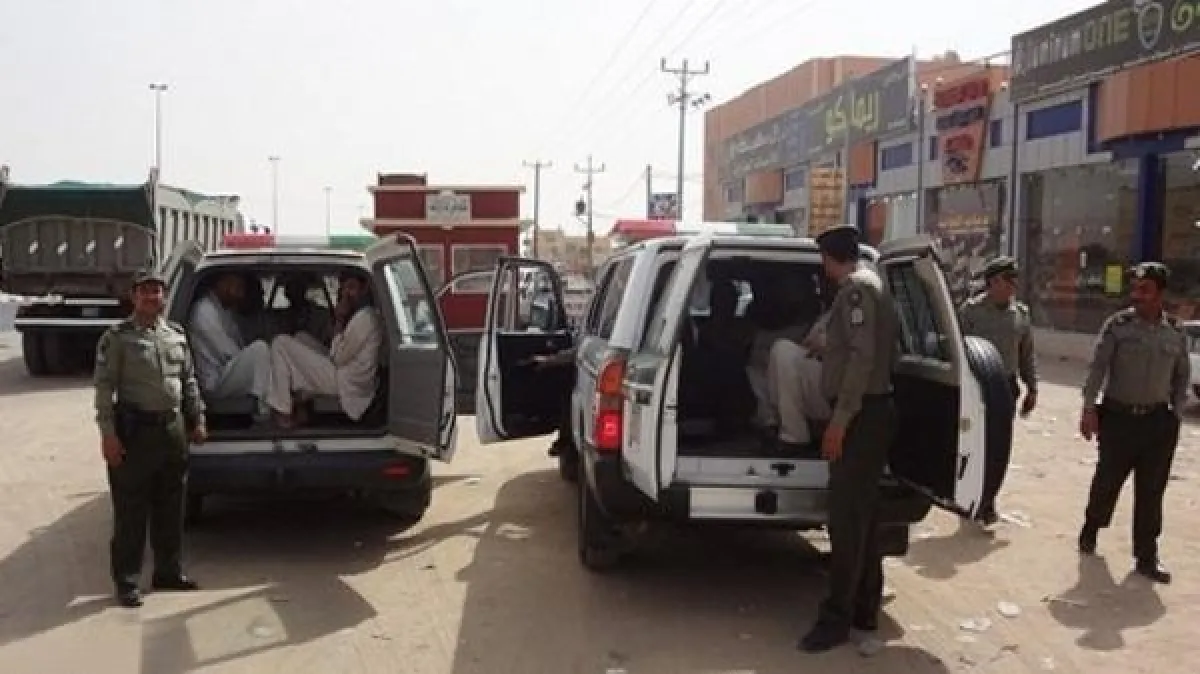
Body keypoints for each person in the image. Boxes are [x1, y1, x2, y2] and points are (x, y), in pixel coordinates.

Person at [800, 224, 900, 653]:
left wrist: (840, 421)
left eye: (823, 259)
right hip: (871, 413)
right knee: (865, 518)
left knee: (846, 521)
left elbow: (862, 359)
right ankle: (864, 608)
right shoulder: (873, 284)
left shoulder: (856, 291)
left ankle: (836, 618)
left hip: (862, 416)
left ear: (829, 258)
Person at [94, 271, 207, 608]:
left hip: (172, 429)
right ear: (133, 296)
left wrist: (197, 418)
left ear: (164, 296)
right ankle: (127, 580)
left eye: (156, 291)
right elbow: (104, 388)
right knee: (131, 510)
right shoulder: (117, 338)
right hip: (135, 432)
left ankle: (168, 572)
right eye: (144, 291)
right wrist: (108, 435)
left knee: (171, 506)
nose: (151, 297)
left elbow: (188, 380)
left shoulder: (175, 335)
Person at [1077, 262, 1189, 584]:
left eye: (1145, 290)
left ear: (1160, 293)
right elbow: (1098, 368)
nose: (1137, 295)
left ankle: (1146, 556)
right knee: (1107, 482)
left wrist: (1176, 413)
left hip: (1158, 424)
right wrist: (1088, 408)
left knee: (1151, 491)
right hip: (1119, 420)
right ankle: (1092, 526)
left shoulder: (1175, 332)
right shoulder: (1118, 326)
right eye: (1135, 288)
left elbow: (1181, 376)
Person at [958, 255, 1038, 525]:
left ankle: (988, 500)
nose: (1014, 285)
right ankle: (970, 496)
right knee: (976, 445)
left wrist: (1032, 388)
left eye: (1015, 280)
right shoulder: (971, 311)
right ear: (993, 282)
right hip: (977, 388)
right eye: (1008, 279)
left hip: (1006, 387)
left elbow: (1026, 354)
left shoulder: (1021, 314)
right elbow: (956, 350)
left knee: (999, 447)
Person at [266, 272, 384, 427]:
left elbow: (338, 358)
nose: (346, 294)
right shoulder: (362, 315)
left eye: (352, 288)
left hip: (347, 382)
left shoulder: (365, 318)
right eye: (343, 289)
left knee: (280, 343)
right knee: (301, 337)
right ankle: (300, 404)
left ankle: (283, 410)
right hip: (344, 371)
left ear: (364, 289)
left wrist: (339, 319)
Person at [189, 272, 272, 418]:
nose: (241, 294)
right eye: (237, 288)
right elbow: (228, 352)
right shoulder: (204, 311)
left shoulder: (225, 310)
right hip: (215, 381)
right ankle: (265, 413)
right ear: (222, 284)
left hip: (225, 371)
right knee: (260, 350)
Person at [280, 274, 334, 347]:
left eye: (297, 288)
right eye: (290, 289)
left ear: (303, 290)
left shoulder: (321, 314)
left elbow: (328, 339)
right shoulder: (283, 317)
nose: (293, 293)